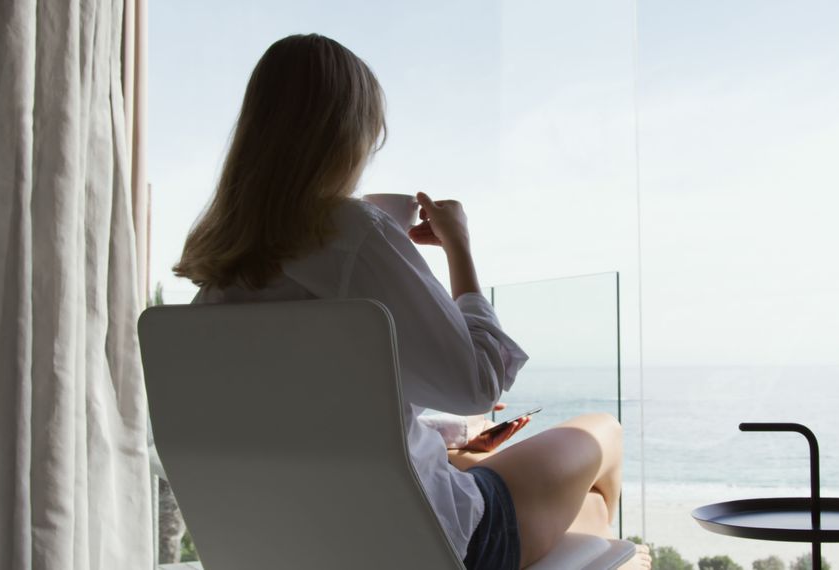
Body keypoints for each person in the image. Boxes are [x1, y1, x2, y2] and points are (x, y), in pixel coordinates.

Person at [173, 33, 649, 570]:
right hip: (439, 546)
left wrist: (439, 438)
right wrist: (458, 247)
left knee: (583, 516)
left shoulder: (217, 276)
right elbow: (478, 384)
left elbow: (312, 416)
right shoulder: (351, 229)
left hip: (298, 548)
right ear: (347, 137)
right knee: (603, 437)